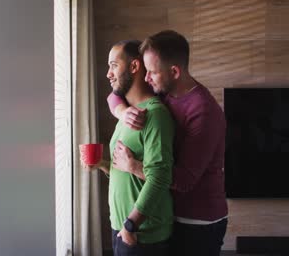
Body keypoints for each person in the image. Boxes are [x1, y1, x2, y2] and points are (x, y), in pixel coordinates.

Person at [108, 30, 228, 256]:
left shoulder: (204, 112)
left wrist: (133, 166)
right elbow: (114, 95)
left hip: (199, 221)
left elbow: (183, 181)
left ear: (174, 71)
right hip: (171, 213)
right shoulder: (164, 90)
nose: (146, 78)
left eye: (151, 72)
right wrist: (123, 112)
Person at [81, 39, 175, 256]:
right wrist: (103, 165)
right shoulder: (128, 114)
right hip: (122, 229)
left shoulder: (155, 115)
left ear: (134, 67)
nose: (108, 74)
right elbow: (125, 170)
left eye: (114, 65)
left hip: (142, 235)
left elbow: (160, 178)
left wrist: (130, 227)